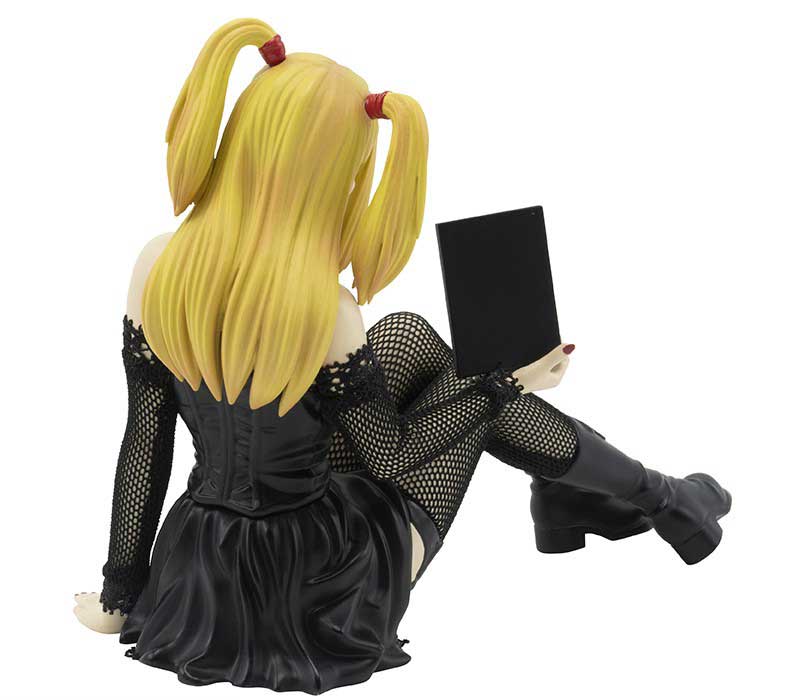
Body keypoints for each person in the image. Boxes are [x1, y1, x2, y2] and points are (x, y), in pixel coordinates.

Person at [74, 18, 732, 693]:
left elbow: (145, 439)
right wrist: (508, 386)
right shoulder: (327, 312)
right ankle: (652, 497)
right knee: (477, 391)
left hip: (196, 581)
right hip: (323, 592)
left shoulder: (156, 266)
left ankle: (584, 496)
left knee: (411, 333)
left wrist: (121, 592)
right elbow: (391, 456)